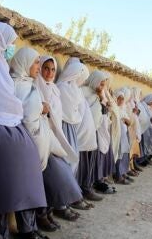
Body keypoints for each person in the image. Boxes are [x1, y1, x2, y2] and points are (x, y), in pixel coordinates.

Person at [0, 23, 47, 239]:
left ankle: (27, 227)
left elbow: (10, 101)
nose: (11, 48)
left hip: (11, 124)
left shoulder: (1, 66)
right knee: (1, 180)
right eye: (10, 44)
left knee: (27, 170)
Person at [11, 48, 83, 232]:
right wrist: (42, 110)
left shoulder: (36, 85)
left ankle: (46, 214)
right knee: (34, 185)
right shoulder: (19, 85)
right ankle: (34, 222)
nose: (48, 72)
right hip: (30, 143)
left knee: (52, 178)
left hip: (47, 139)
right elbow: (25, 115)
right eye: (42, 66)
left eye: (52, 69)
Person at [35, 55, 81, 222]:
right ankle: (42, 215)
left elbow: (57, 115)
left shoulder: (54, 89)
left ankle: (52, 210)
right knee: (47, 178)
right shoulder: (36, 86)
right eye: (46, 68)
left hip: (55, 138)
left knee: (58, 174)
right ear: (40, 68)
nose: (49, 72)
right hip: (41, 138)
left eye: (53, 69)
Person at [57, 58, 101, 209]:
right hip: (65, 130)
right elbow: (70, 114)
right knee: (67, 165)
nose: (83, 80)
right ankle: (64, 203)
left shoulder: (75, 89)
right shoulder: (63, 88)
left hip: (74, 132)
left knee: (73, 166)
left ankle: (71, 198)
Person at [82, 70, 116, 195]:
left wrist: (102, 98)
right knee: (86, 162)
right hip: (86, 132)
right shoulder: (84, 92)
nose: (101, 87)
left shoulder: (98, 95)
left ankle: (92, 184)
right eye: (100, 84)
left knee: (93, 161)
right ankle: (86, 187)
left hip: (96, 131)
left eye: (103, 85)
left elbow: (106, 111)